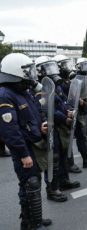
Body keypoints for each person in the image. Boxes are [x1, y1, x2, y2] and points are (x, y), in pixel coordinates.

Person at [0, 53, 52, 229]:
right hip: (23, 149)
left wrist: (41, 127)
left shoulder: (23, 91)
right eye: (26, 71)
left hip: (33, 144)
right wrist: (23, 154)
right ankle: (29, 223)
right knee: (29, 184)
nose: (29, 74)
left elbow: (34, 114)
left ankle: (34, 218)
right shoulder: (5, 95)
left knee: (34, 182)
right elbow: (10, 130)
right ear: (15, 71)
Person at [34, 56, 68, 202]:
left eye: (53, 67)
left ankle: (62, 182)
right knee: (52, 158)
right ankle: (52, 189)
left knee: (61, 155)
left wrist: (68, 112)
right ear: (40, 71)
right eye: (48, 68)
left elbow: (62, 103)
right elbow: (47, 109)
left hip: (58, 126)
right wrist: (64, 117)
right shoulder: (40, 89)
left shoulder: (54, 86)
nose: (52, 71)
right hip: (49, 126)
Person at [53, 54, 82, 174]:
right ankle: (69, 165)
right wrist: (65, 116)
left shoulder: (63, 81)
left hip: (67, 113)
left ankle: (69, 166)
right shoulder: (55, 82)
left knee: (69, 140)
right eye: (64, 65)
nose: (67, 67)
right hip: (59, 120)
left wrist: (69, 110)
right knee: (64, 144)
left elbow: (64, 99)